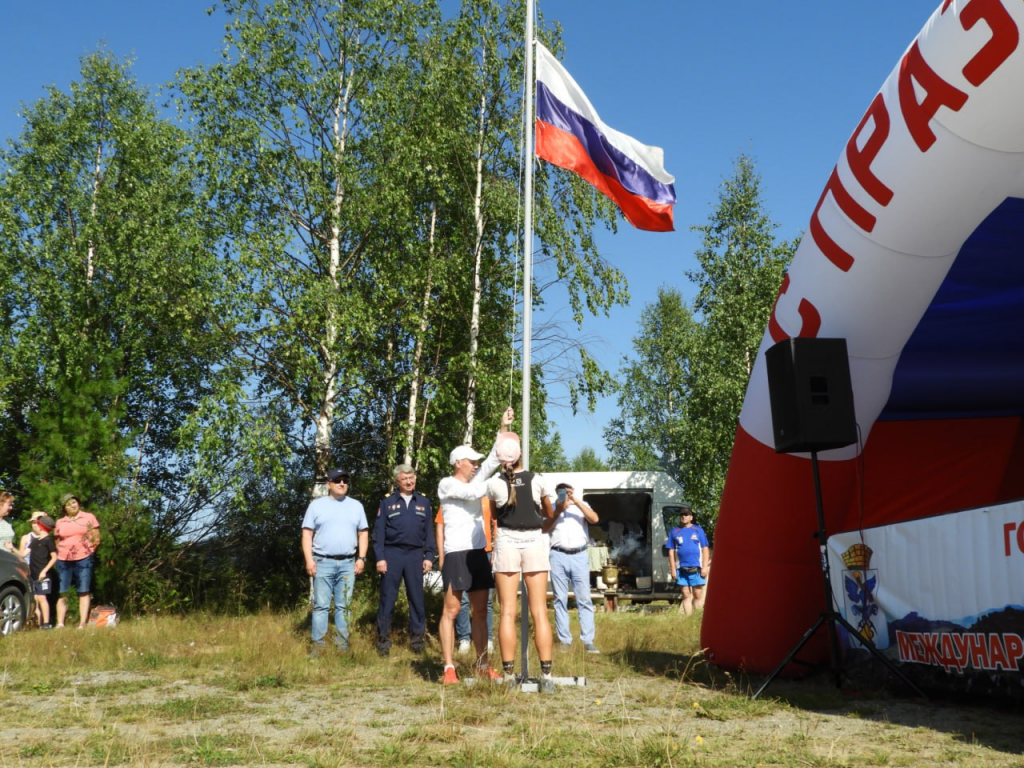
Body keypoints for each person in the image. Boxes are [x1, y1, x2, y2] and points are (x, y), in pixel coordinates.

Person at [436, 407, 513, 685]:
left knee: (481, 612)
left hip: (479, 553)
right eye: (471, 461)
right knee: (452, 610)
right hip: (457, 553)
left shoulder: (478, 477)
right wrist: (497, 481)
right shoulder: (446, 484)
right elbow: (473, 491)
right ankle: (448, 668)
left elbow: (493, 458)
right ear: (458, 462)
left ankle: (482, 666)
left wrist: (503, 428)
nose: (476, 465)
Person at [486, 432, 556, 691]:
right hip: (534, 540)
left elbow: (494, 514)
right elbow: (549, 513)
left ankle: (508, 675)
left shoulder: (494, 483)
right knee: (539, 611)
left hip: (507, 540)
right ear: (520, 454)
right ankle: (547, 677)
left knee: (507, 611)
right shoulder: (537, 480)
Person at [301, 468, 369, 655]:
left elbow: (363, 533)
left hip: (348, 563)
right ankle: (318, 645)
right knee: (321, 605)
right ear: (328, 484)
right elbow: (307, 534)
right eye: (337, 480)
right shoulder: (316, 506)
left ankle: (342, 646)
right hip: (322, 562)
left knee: (343, 606)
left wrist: (361, 558)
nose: (341, 484)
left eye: (345, 481)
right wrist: (309, 560)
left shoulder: (356, 506)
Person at [373, 463, 435, 656]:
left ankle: (417, 640)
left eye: (411, 478)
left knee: (416, 599)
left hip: (416, 555)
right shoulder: (387, 502)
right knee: (387, 598)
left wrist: (429, 555)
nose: (409, 482)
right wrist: (380, 558)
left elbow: (429, 533)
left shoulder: (424, 502)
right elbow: (378, 534)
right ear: (397, 481)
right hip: (392, 555)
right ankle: (383, 641)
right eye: (405, 479)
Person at [545, 482, 600, 653]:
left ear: (573, 492)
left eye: (568, 492)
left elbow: (594, 519)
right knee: (559, 599)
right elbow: (544, 527)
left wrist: (576, 501)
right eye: (562, 492)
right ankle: (565, 641)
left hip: (579, 555)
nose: (566, 495)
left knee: (584, 598)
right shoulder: (552, 508)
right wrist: (558, 510)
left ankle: (588, 640)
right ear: (557, 493)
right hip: (557, 554)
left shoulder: (581, 506)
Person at [436, 499, 495, 656]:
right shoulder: (450, 496)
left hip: (484, 551)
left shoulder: (486, 497)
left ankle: (488, 640)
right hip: (457, 553)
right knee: (460, 602)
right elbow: (440, 525)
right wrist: (442, 556)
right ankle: (464, 639)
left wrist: (495, 551)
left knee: (485, 603)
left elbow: (496, 523)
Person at [54, 493, 100, 629]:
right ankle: (60, 624)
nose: (72, 506)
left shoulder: (89, 517)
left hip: (84, 558)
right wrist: (61, 552)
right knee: (63, 592)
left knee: (83, 590)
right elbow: (57, 541)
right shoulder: (60, 522)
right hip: (63, 560)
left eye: (73, 502)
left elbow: (96, 538)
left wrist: (89, 552)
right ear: (64, 508)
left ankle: (82, 623)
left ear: (78, 503)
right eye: (68, 504)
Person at [665, 505, 710, 615]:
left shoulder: (698, 530)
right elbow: (671, 552)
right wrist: (673, 569)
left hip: (697, 568)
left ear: (691, 517)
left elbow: (705, 549)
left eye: (686, 514)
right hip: (681, 569)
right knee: (685, 595)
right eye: (682, 515)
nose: (684, 516)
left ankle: (696, 618)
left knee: (697, 595)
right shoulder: (674, 531)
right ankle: (688, 618)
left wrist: (704, 567)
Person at [27, 514, 57, 629]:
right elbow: (24, 554)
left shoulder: (49, 540)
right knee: (35, 599)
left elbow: (54, 557)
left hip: (43, 574)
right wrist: (11, 548)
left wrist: (44, 571)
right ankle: (38, 624)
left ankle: (46, 623)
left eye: (37, 524)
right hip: (33, 574)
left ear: (41, 526)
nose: (35, 526)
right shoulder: (34, 541)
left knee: (41, 598)